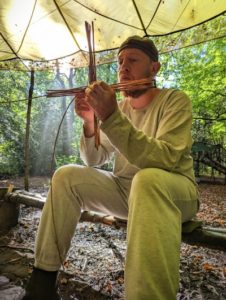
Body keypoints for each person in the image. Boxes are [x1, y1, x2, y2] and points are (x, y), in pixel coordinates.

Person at [23, 36, 199, 300]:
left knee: (148, 179)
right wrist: (90, 122)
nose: (123, 67)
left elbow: (166, 159)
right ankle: (42, 283)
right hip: (128, 191)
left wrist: (111, 117)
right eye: (120, 62)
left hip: (173, 193)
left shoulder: (175, 101)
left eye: (132, 60)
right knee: (66, 176)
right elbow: (94, 159)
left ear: (154, 68)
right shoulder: (121, 107)